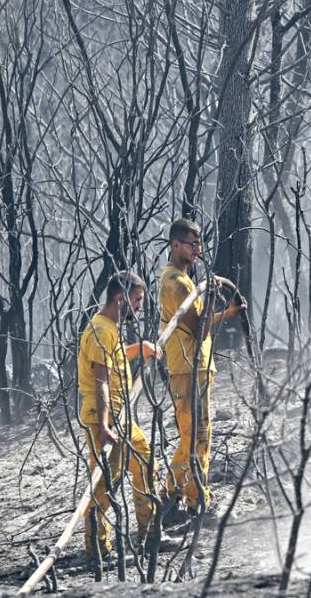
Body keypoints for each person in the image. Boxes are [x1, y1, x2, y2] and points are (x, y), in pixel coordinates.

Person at [159, 218, 245, 526]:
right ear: (175, 245)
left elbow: (197, 323)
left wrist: (229, 312)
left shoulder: (182, 280)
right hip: (187, 368)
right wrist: (210, 297)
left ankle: (191, 501)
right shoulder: (177, 283)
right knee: (194, 437)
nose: (198, 249)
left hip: (194, 367)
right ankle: (172, 498)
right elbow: (198, 328)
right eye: (191, 244)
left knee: (197, 437)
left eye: (199, 243)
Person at [77, 270, 161, 562]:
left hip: (120, 417)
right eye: (136, 300)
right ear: (119, 297)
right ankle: (97, 550)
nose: (139, 306)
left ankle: (150, 533)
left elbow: (115, 356)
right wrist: (102, 425)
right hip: (106, 418)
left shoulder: (109, 328)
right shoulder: (101, 329)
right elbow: (100, 378)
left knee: (143, 457)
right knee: (103, 483)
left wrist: (142, 348)